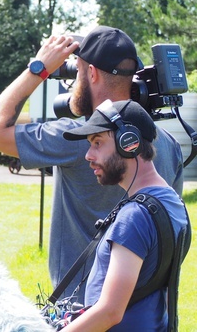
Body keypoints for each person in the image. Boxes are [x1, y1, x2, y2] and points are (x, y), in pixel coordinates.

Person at [0, 26, 183, 300]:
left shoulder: (76, 138)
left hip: (83, 312)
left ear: (92, 74)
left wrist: (39, 69)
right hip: (149, 313)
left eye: (77, 73)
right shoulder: (168, 143)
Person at [61, 99, 189, 331]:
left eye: (97, 143)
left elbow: (110, 311)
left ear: (128, 143)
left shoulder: (135, 216)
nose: (88, 155)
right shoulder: (173, 203)